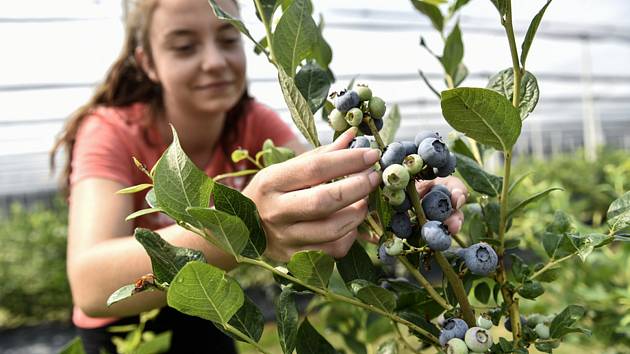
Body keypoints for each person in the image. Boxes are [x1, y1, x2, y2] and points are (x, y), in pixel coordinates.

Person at [50, 0, 468, 352]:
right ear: (148, 63)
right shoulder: (109, 131)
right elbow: (90, 284)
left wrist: (409, 202)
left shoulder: (250, 123)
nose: (214, 61)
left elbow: (326, 192)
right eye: (184, 46)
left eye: (228, 39)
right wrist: (248, 227)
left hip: (211, 310)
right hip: (121, 328)